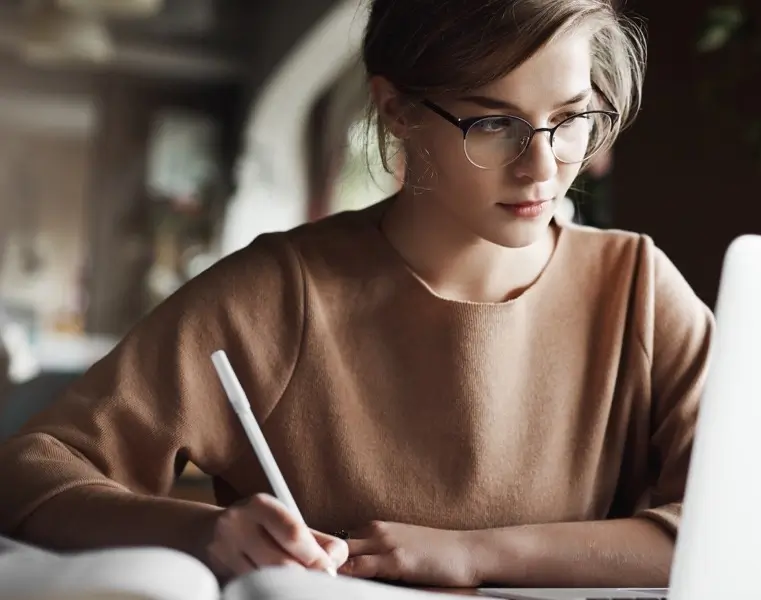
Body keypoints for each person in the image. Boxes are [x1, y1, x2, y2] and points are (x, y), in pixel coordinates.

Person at [0, 0, 713, 590]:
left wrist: (473, 555)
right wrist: (208, 534)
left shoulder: (638, 289)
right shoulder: (279, 294)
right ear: (395, 109)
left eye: (570, 117)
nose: (543, 166)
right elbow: (31, 471)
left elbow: (749, 523)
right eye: (493, 123)